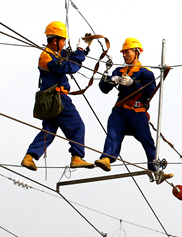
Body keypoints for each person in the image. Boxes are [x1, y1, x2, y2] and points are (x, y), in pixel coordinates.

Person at [94, 38, 173, 183]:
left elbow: (150, 90)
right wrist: (111, 81)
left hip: (137, 111)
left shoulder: (145, 73)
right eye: (123, 53)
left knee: (147, 140)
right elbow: (103, 89)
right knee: (113, 131)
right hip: (121, 110)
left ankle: (155, 169)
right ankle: (106, 158)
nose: (124, 55)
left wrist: (133, 83)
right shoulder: (118, 71)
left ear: (136, 53)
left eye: (127, 52)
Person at [21, 21, 93, 171]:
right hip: (57, 98)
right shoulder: (47, 57)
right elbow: (70, 67)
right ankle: (77, 157)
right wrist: (80, 50)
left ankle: (29, 157)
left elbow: (70, 57)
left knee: (49, 131)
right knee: (78, 127)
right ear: (55, 40)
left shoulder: (55, 54)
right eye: (63, 40)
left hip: (49, 100)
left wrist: (84, 49)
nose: (65, 42)